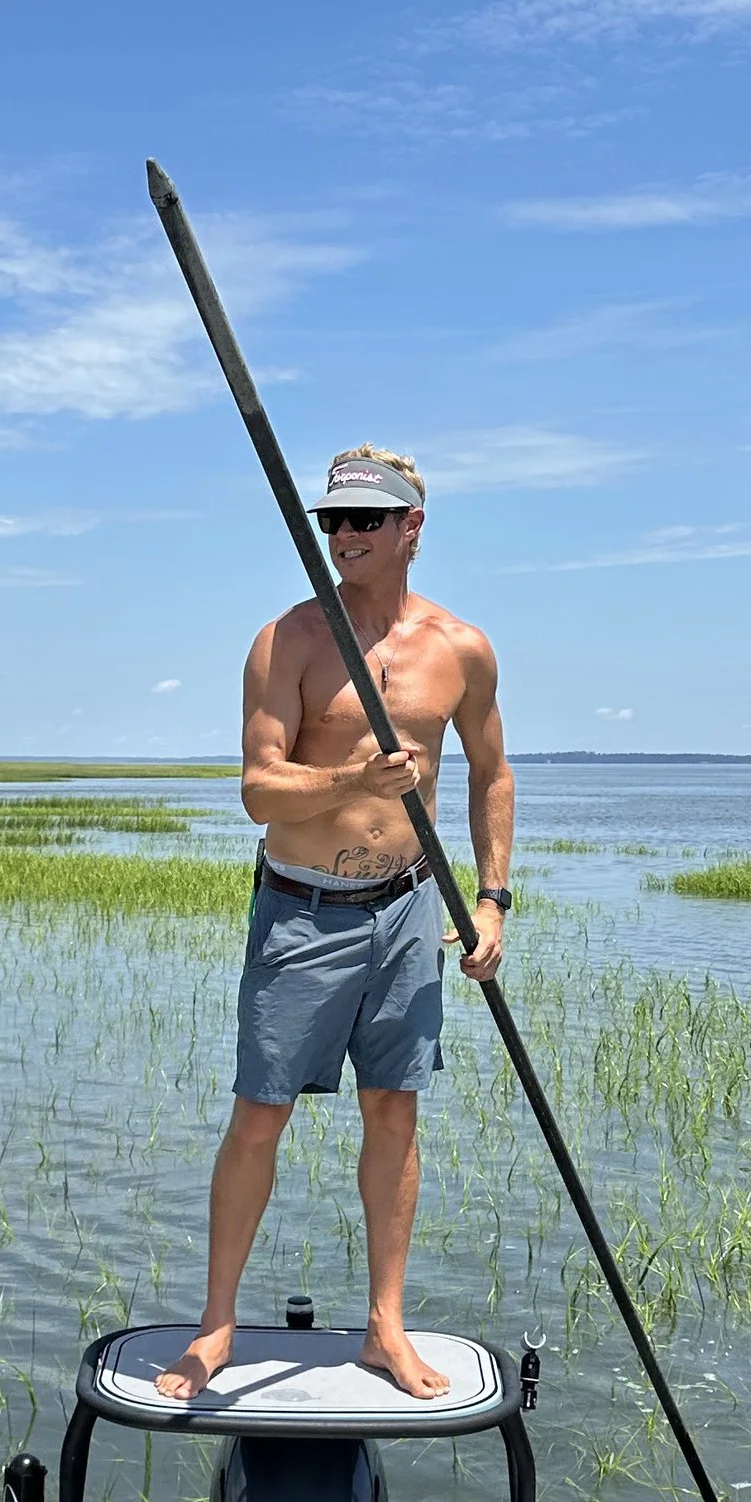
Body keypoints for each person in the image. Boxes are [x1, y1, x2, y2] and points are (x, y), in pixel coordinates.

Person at [156, 445, 514, 1403]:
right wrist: (354, 776)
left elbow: (491, 773)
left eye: (366, 519)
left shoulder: (461, 647)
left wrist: (490, 898)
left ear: (411, 528)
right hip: (302, 908)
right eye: (333, 520)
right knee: (259, 1112)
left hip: (406, 909)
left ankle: (384, 1328)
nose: (345, 534)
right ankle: (216, 1324)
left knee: (394, 1110)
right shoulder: (289, 641)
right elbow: (258, 791)